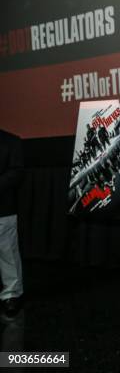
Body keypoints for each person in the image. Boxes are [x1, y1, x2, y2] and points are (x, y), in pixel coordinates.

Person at [0, 129, 25, 318]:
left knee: (7, 251)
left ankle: (12, 295)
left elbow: (16, 173)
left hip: (3, 206)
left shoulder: (11, 141)